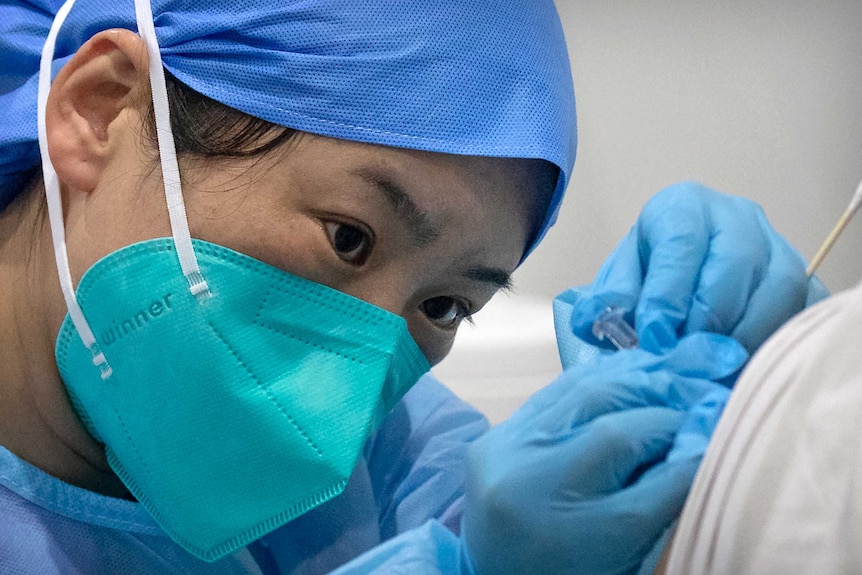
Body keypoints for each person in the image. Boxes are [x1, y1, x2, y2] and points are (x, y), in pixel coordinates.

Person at [0, 0, 822, 573]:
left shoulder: (382, 454)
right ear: (102, 110)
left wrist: (746, 393)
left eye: (444, 304)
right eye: (349, 238)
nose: (349, 390)